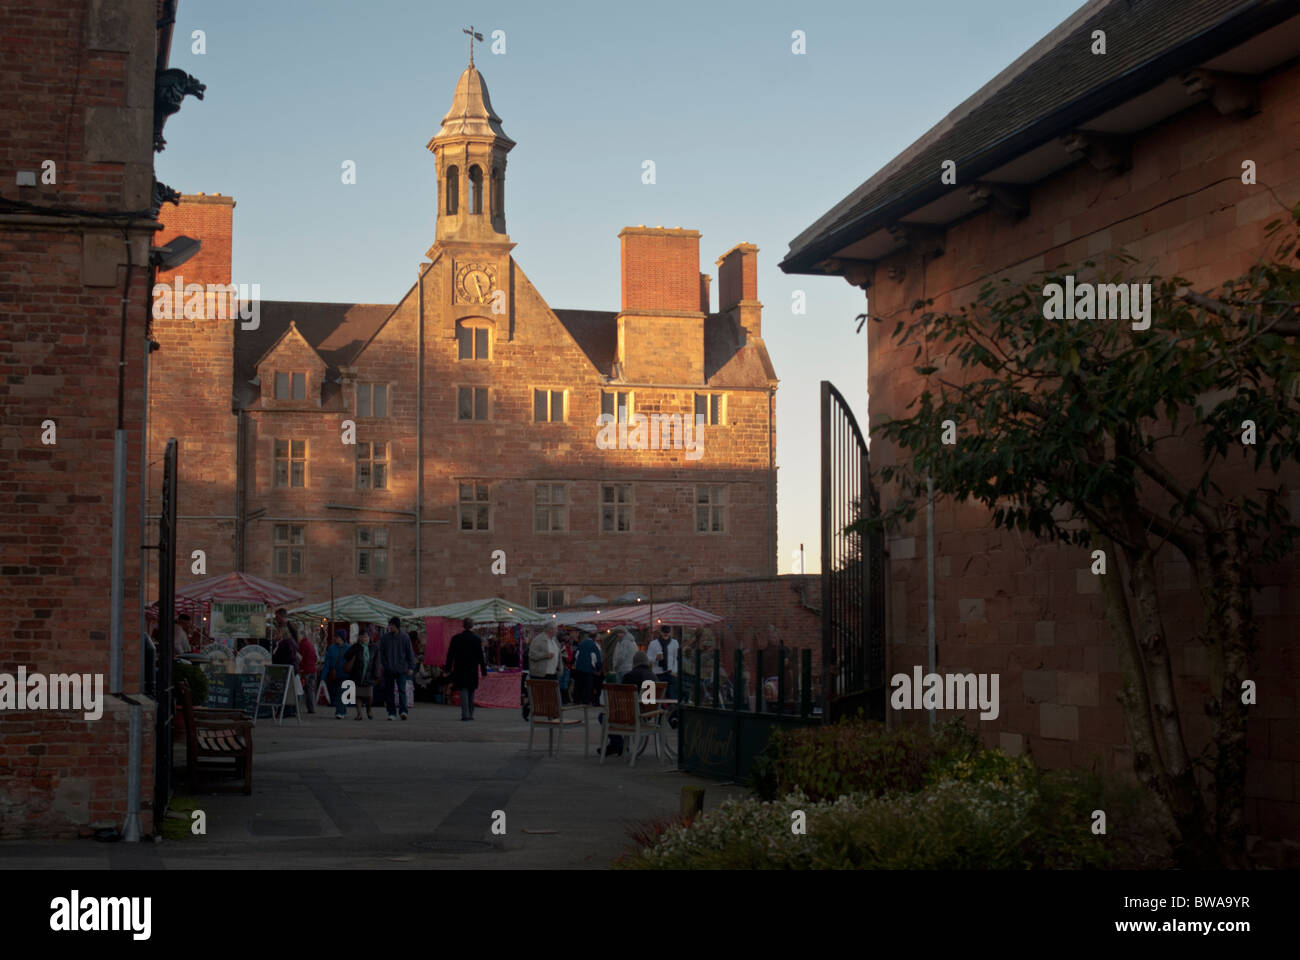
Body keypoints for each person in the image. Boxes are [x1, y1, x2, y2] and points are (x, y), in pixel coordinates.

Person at [600, 651, 658, 758]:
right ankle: (617, 745)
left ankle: (618, 743)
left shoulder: (629, 676)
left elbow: (621, 697)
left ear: (634, 662)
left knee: (602, 716)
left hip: (629, 715)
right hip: (648, 714)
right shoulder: (654, 677)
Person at [445, 617, 488, 721]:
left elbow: (450, 655)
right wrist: (483, 671)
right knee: (471, 690)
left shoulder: (456, 638)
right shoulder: (476, 639)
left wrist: (448, 668)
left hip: (460, 668)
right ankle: (471, 713)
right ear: (472, 626)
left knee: (463, 690)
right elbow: (480, 657)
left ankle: (465, 714)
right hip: (472, 668)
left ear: (463, 626)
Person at [378, 616, 414, 720]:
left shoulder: (405, 637)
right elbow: (382, 653)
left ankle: (403, 711)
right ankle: (391, 712)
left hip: (402, 669)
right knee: (389, 692)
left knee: (402, 690)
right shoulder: (385, 638)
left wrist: (411, 667)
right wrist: (385, 665)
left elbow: (409, 653)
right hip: (389, 669)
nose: (390, 627)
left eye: (392, 625)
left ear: (397, 626)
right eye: (390, 625)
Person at [344, 629, 374, 720]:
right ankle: (359, 714)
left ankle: (369, 710)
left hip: (368, 674)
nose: (363, 638)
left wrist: (376, 674)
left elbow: (377, 661)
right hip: (357, 674)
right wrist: (354, 653)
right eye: (361, 636)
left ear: (369, 637)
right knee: (357, 695)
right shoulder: (355, 647)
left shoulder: (373, 647)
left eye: (365, 636)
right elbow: (346, 656)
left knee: (369, 695)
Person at [320, 629, 350, 719]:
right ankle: (341, 711)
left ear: (341, 638)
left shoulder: (348, 648)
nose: (335, 638)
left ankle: (340, 712)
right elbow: (327, 663)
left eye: (336, 637)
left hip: (345, 674)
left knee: (342, 692)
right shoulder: (331, 648)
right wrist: (323, 677)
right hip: (334, 675)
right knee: (337, 693)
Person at [573, 630, 603, 706]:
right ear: (595, 637)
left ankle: (576, 700)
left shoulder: (581, 644)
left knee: (578, 685)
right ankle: (585, 701)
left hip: (579, 668)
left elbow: (576, 655)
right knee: (587, 686)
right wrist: (598, 668)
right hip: (588, 669)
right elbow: (596, 658)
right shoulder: (593, 645)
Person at [298, 629, 319, 714]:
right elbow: (315, 658)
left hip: (306, 670)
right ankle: (312, 707)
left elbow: (300, 659)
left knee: (304, 689)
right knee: (311, 689)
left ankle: (310, 707)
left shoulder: (302, 645)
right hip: (313, 669)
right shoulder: (310, 645)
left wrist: (301, 669)